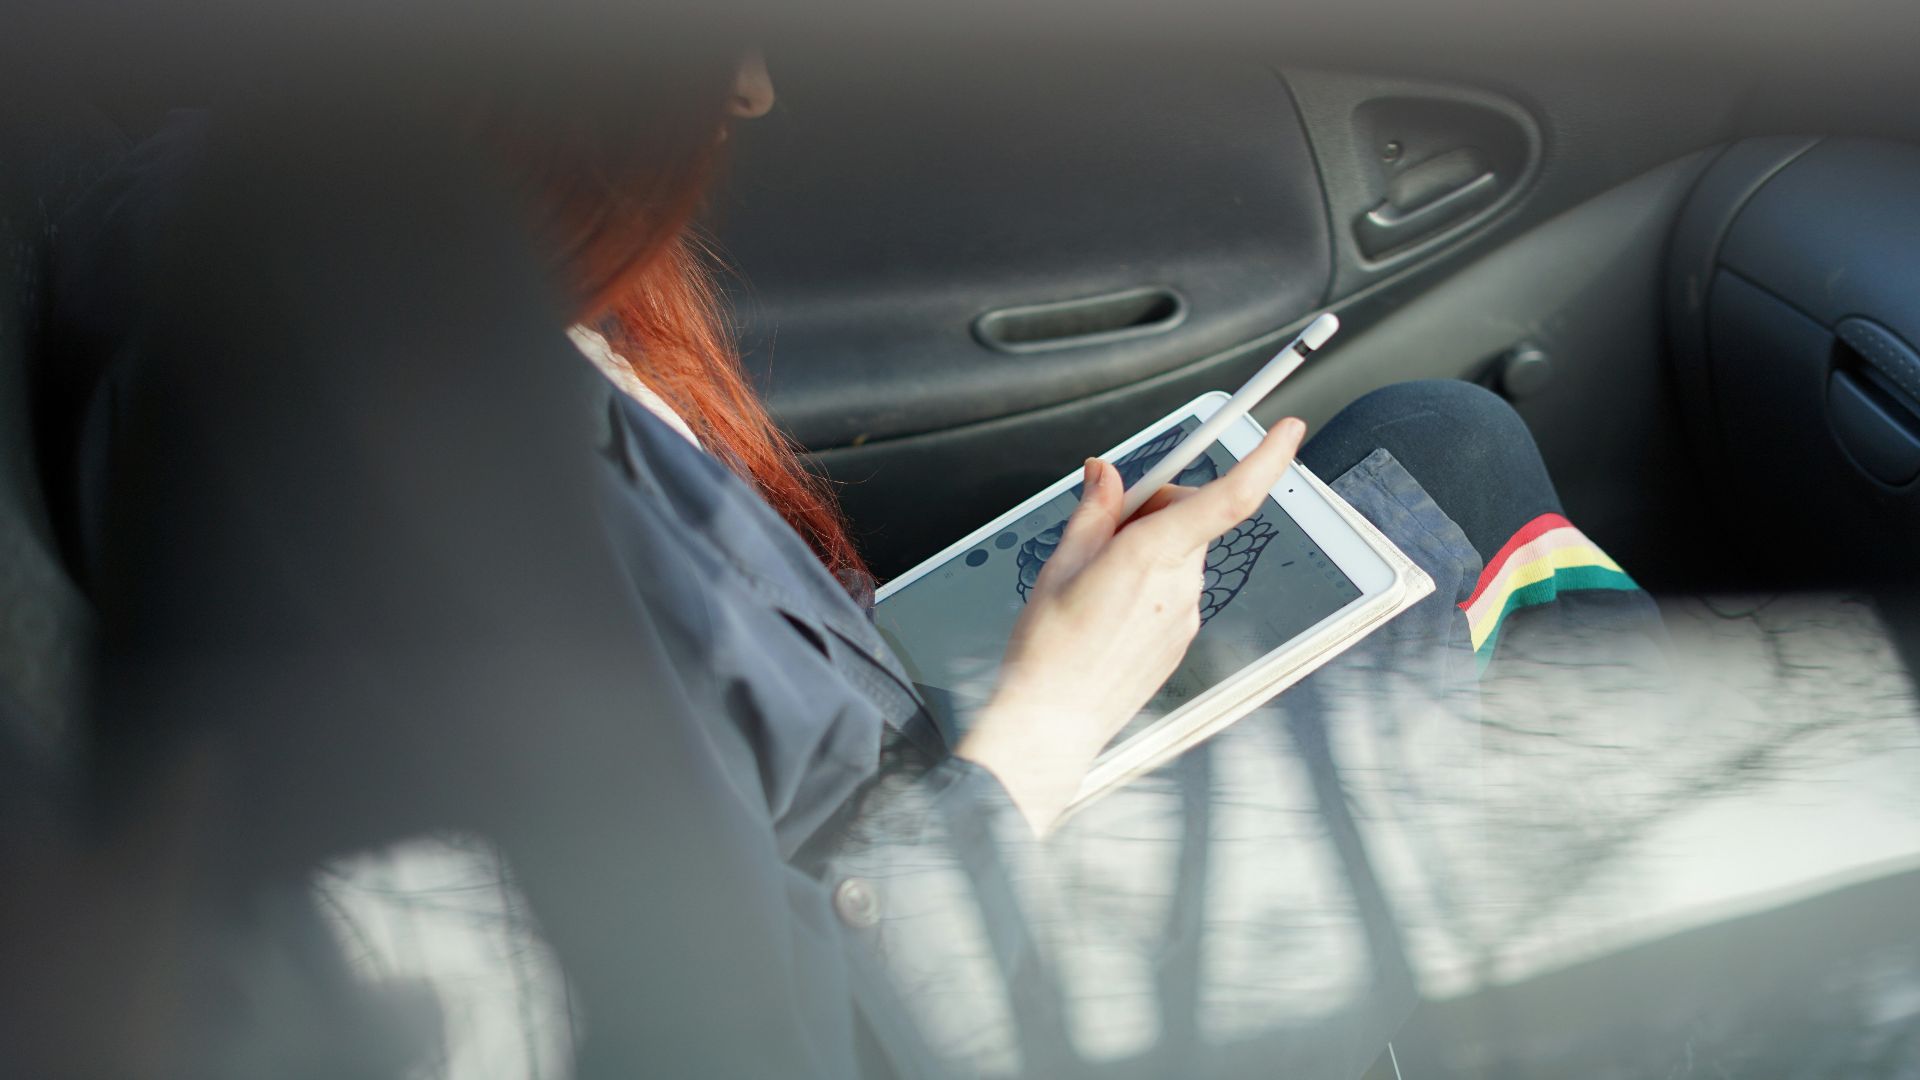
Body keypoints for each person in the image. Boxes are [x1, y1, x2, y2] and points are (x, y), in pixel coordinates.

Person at [41, 33, 1666, 1080]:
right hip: (941, 940)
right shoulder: (398, 451)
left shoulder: (264, 218)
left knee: (1428, 447)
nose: (750, 89)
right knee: (1452, 478)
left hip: (888, 802)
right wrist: (1037, 725)